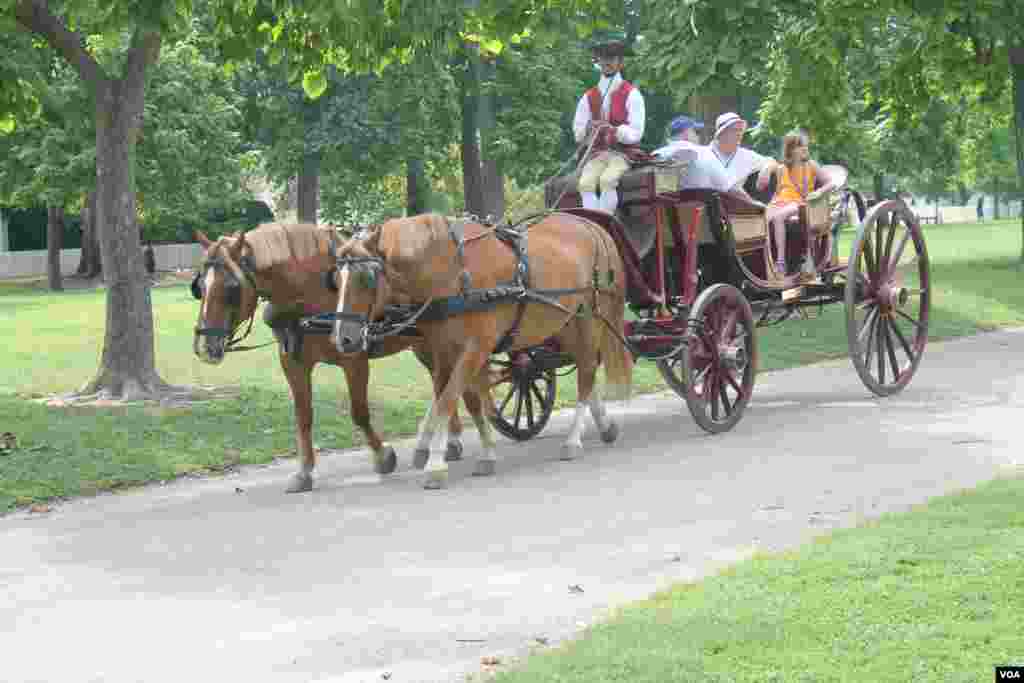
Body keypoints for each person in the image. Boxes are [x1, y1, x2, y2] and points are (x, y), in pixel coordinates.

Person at [572, 31, 646, 214]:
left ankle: (605, 221)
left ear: (621, 63)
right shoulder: (588, 96)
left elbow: (636, 132)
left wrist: (613, 130)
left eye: (611, 57)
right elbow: (578, 130)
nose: (606, 61)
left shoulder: (632, 93)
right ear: (598, 61)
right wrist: (589, 129)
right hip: (597, 154)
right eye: (603, 57)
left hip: (623, 153)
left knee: (607, 180)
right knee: (585, 184)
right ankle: (594, 222)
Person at [761, 129, 836, 279]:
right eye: (800, 146)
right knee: (761, 218)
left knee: (779, 216)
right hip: (779, 203)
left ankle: (781, 261)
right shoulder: (782, 169)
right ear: (790, 149)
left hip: (798, 204)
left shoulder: (811, 166)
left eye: (806, 145)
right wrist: (766, 171)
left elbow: (831, 183)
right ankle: (767, 261)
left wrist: (819, 192)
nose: (804, 149)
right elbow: (770, 172)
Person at [679, 112, 771, 206]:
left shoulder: (747, 155)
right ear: (721, 133)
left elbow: (771, 161)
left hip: (736, 209)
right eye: (734, 130)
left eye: (741, 130)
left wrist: (766, 169)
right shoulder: (703, 154)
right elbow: (732, 190)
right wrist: (754, 204)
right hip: (706, 207)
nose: (739, 134)